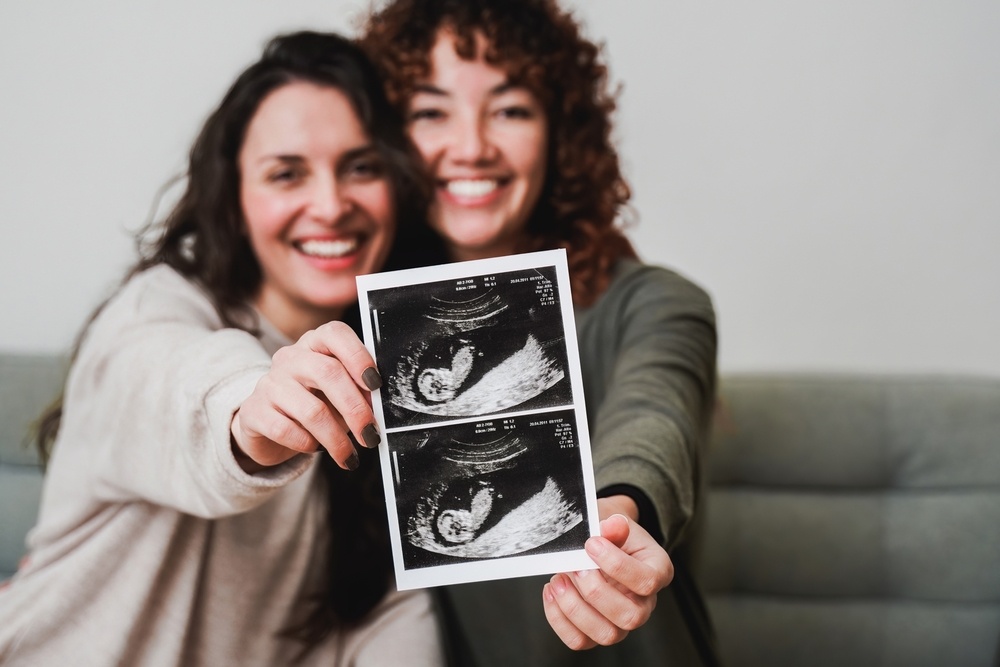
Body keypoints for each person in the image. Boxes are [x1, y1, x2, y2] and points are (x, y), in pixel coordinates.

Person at [0, 31, 446, 666]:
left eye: (361, 167)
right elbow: (175, 382)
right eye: (286, 174)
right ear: (236, 198)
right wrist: (253, 408)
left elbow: (387, 616)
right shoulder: (156, 309)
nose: (330, 205)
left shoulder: (399, 384)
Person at [359, 0, 721, 664]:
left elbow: (654, 411)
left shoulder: (655, 304)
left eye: (511, 109)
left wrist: (618, 515)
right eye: (430, 111)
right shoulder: (361, 330)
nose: (471, 147)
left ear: (561, 134)